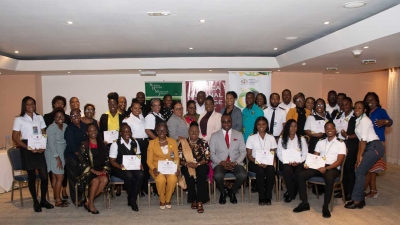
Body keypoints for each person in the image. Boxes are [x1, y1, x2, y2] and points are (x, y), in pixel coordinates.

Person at [293, 122, 346, 218]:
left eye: (331, 128)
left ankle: (325, 206)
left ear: (335, 129)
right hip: (319, 166)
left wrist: (326, 168)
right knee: (301, 175)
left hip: (332, 167)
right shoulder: (320, 142)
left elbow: (339, 161)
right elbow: (315, 157)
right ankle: (304, 203)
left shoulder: (341, 143)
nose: (329, 130)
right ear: (324, 130)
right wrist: (308, 164)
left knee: (329, 178)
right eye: (327, 128)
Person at [12, 96, 53, 212]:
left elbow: (43, 132)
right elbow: (14, 138)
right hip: (27, 148)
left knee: (44, 176)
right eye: (28, 104)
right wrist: (28, 147)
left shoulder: (39, 117)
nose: (31, 106)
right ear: (24, 106)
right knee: (32, 177)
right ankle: (35, 202)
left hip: (39, 145)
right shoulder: (19, 119)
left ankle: (43, 200)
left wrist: (43, 146)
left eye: (33, 104)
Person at [345, 101, 384, 209]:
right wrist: (358, 156)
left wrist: (360, 156)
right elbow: (360, 140)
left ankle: (357, 200)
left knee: (360, 171)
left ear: (364, 110)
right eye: (356, 108)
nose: (357, 109)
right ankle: (360, 199)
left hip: (374, 146)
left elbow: (363, 140)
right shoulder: (358, 120)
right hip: (368, 146)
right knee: (360, 171)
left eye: (360, 108)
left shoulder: (365, 120)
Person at [210, 115, 247, 205]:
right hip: (220, 163)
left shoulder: (238, 134)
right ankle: (223, 192)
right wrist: (221, 162)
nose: (226, 124)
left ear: (232, 122)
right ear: (221, 122)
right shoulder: (214, 136)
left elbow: (243, 151)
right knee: (217, 175)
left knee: (243, 175)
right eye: (224, 122)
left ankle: (232, 191)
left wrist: (236, 162)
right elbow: (211, 153)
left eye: (228, 121)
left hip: (235, 162)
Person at [363, 92, 392, 198]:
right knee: (372, 169)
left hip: (378, 144)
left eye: (372, 100)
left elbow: (390, 122)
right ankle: (373, 190)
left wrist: (385, 121)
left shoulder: (381, 111)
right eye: (368, 100)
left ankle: (361, 192)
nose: (370, 102)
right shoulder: (366, 112)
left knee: (371, 169)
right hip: (367, 143)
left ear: (377, 101)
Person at [109, 123, 144, 211]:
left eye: (129, 131)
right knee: (129, 176)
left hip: (132, 166)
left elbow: (138, 156)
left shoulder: (134, 142)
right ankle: (132, 200)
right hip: (118, 167)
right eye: (125, 131)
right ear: (121, 133)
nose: (127, 133)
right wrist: (119, 166)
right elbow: (112, 161)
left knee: (141, 174)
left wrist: (140, 164)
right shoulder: (115, 144)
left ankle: (132, 198)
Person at [178, 122, 210, 213]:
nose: (194, 133)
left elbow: (207, 158)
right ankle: (193, 200)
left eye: (196, 131)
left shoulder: (204, 143)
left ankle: (199, 201)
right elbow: (179, 158)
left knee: (201, 173)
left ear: (199, 132)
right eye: (192, 131)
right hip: (186, 165)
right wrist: (187, 164)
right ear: (188, 131)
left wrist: (197, 164)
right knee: (189, 175)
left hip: (200, 165)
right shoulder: (183, 143)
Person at [77, 124, 110, 214]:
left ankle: (88, 202)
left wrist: (104, 169)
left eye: (95, 130)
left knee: (104, 179)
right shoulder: (84, 145)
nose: (93, 133)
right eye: (90, 131)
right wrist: (92, 170)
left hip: (100, 169)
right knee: (95, 181)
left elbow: (107, 159)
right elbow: (82, 161)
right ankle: (91, 204)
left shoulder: (102, 143)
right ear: (87, 133)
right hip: (88, 171)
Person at [43, 95, 70, 200]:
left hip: (61, 153)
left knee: (55, 176)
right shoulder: (51, 128)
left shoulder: (65, 126)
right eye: (57, 117)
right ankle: (58, 200)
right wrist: (57, 159)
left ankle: (56, 197)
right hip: (53, 154)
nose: (60, 118)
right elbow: (51, 144)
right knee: (60, 177)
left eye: (62, 116)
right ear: (54, 118)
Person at [147, 123, 180, 209]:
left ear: (167, 132)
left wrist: (176, 168)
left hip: (170, 168)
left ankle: (168, 199)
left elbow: (176, 157)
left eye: (164, 130)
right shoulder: (151, 143)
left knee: (173, 179)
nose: (162, 132)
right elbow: (149, 161)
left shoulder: (172, 142)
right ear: (157, 132)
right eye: (160, 130)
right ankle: (162, 199)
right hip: (156, 168)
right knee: (161, 179)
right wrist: (153, 169)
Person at [246, 116, 276, 205]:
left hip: (268, 162)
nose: (261, 126)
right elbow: (249, 154)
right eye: (259, 124)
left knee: (271, 170)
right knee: (260, 171)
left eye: (263, 124)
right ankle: (261, 196)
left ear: (267, 125)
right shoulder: (251, 137)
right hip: (254, 162)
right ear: (256, 126)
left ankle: (268, 196)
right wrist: (257, 162)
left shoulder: (271, 137)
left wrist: (269, 162)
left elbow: (273, 153)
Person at [277, 119, 308, 203]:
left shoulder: (301, 139)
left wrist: (299, 161)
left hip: (299, 162)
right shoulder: (282, 139)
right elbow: (279, 153)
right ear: (287, 127)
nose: (293, 128)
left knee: (299, 173)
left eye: (295, 126)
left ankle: (290, 192)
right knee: (287, 171)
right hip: (286, 162)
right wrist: (286, 161)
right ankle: (292, 193)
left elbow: (305, 153)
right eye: (291, 126)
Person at [123, 100, 149, 196]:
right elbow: (125, 133)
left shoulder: (143, 117)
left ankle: (145, 187)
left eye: (139, 108)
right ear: (131, 109)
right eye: (135, 108)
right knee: (137, 166)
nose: (138, 110)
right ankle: (138, 189)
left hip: (145, 143)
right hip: (135, 144)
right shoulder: (127, 120)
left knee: (145, 166)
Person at [336, 97, 359, 201]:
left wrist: (347, 135)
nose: (345, 106)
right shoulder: (339, 115)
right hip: (341, 145)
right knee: (343, 169)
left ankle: (351, 192)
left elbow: (359, 133)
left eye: (347, 104)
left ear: (351, 104)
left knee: (349, 169)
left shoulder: (355, 117)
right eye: (343, 105)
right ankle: (343, 191)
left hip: (351, 146)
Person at [64, 108, 87, 207]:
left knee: (83, 178)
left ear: (80, 115)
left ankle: (81, 196)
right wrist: (80, 155)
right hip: (72, 157)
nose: (76, 117)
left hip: (83, 156)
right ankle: (75, 199)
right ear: (70, 118)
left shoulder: (85, 126)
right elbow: (71, 145)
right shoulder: (69, 129)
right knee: (73, 179)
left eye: (77, 115)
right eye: (73, 116)